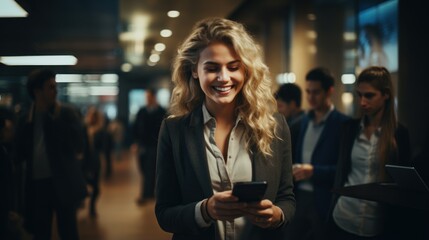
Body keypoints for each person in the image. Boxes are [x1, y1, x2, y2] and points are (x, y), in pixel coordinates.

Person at [155, 17, 295, 240]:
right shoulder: (174, 130)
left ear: (246, 71)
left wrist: (277, 214)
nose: (224, 78)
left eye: (233, 67)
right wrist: (206, 210)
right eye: (212, 68)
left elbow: (287, 197)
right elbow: (164, 213)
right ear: (194, 70)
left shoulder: (274, 125)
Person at [328, 66, 411, 239]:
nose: (362, 102)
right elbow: (341, 172)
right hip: (343, 216)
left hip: (377, 224)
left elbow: (404, 186)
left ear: (386, 94)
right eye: (359, 95)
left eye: (369, 95)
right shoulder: (349, 129)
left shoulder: (399, 134)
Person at [14, 68, 87, 240]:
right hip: (38, 185)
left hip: (63, 183)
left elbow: (77, 145)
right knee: (41, 232)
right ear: (37, 91)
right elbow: (19, 152)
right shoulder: (26, 118)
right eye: (51, 87)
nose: (55, 91)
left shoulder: (66, 113)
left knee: (68, 231)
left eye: (56, 87)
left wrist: (55, 121)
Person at [285, 67, 350, 240]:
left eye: (316, 92)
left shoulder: (343, 124)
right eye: (307, 92)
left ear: (329, 91)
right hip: (299, 196)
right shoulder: (303, 121)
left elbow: (344, 170)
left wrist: (314, 171)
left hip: (325, 198)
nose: (310, 97)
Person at [133, 88, 166, 205]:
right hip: (143, 145)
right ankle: (150, 193)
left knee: (151, 169)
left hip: (155, 145)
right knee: (143, 168)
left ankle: (147, 194)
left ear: (154, 97)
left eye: (149, 97)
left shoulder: (161, 111)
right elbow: (136, 127)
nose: (147, 99)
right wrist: (135, 142)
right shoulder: (141, 111)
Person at [82, 106, 105, 218]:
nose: (91, 118)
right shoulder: (83, 128)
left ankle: (91, 208)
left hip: (95, 161)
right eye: (90, 115)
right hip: (84, 161)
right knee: (84, 184)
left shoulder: (100, 130)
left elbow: (102, 147)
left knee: (96, 188)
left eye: (94, 116)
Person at [275, 83, 305, 162]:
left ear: (292, 104)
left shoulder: (295, 126)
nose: (278, 110)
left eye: (280, 106)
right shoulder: (304, 120)